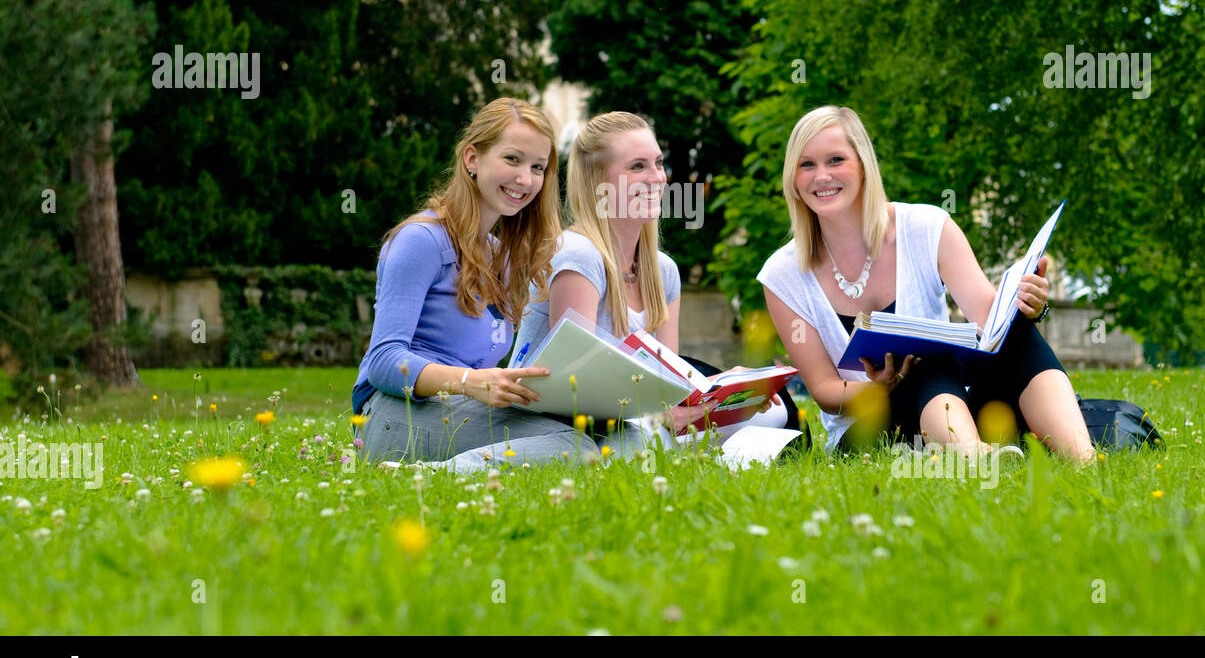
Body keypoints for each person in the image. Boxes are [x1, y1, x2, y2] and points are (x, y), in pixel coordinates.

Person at [756, 105, 1095, 462]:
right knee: (919, 363)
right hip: (871, 429)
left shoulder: (928, 226)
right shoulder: (782, 273)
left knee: (1012, 334)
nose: (821, 176)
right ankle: (972, 459)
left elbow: (990, 320)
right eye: (807, 165)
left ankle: (1083, 459)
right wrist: (880, 387)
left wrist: (1032, 305)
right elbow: (825, 391)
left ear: (863, 164)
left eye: (836, 160)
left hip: (952, 403)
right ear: (793, 178)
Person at [513, 111, 803, 456]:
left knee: (775, 411)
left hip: (630, 415)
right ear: (598, 183)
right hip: (563, 418)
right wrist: (661, 414)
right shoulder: (578, 255)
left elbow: (670, 379)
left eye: (658, 163)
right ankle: (712, 454)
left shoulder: (662, 270)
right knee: (644, 441)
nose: (657, 178)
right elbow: (575, 385)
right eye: (637, 167)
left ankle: (711, 451)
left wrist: (723, 390)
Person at [352, 97, 599, 469]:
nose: (525, 179)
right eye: (512, 159)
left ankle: (448, 469)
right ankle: (433, 475)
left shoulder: (502, 256)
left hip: (460, 407)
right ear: (472, 158)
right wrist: (470, 381)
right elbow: (384, 361)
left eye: (538, 167)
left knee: (604, 434)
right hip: (394, 412)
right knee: (577, 448)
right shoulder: (421, 240)